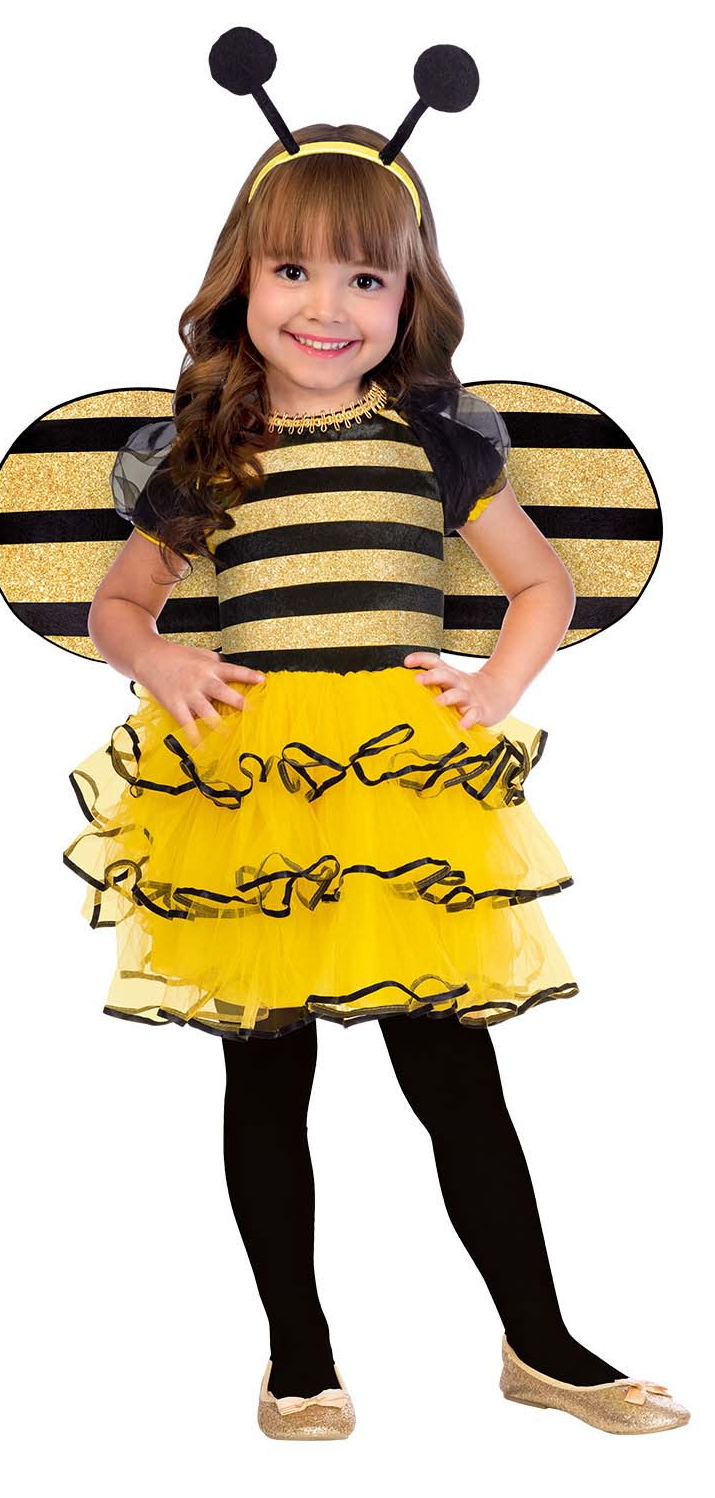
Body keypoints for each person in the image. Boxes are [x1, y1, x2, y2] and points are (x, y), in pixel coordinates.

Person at [62, 31, 690, 1440]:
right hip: (253, 781)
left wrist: (493, 688)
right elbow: (116, 602)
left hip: (401, 784)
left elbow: (543, 582)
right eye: (294, 270)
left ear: (410, 296)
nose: (327, 304)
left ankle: (541, 1344)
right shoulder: (206, 450)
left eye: (366, 277)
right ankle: (298, 1355)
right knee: (265, 1072)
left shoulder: (437, 438)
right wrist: (156, 656)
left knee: (454, 1070)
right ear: (242, 280)